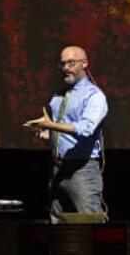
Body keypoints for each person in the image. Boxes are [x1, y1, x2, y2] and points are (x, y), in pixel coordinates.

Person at [23, 45, 108, 223]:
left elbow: (85, 129)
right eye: (62, 64)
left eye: (71, 63)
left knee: (90, 224)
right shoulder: (59, 96)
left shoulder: (94, 96)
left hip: (81, 171)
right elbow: (62, 133)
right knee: (58, 225)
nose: (66, 68)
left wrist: (51, 125)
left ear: (84, 63)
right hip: (58, 168)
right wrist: (45, 133)